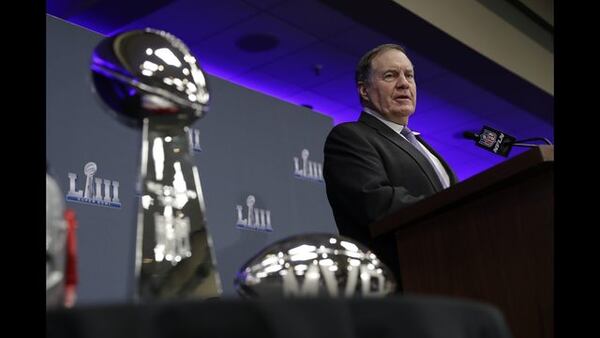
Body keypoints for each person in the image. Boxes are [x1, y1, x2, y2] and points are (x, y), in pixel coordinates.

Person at [323, 44, 458, 287]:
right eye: (390, 75)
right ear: (364, 90)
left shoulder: (425, 147)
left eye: (409, 75)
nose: (404, 83)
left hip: (451, 274)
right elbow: (376, 202)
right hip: (400, 285)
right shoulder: (350, 137)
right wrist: (454, 212)